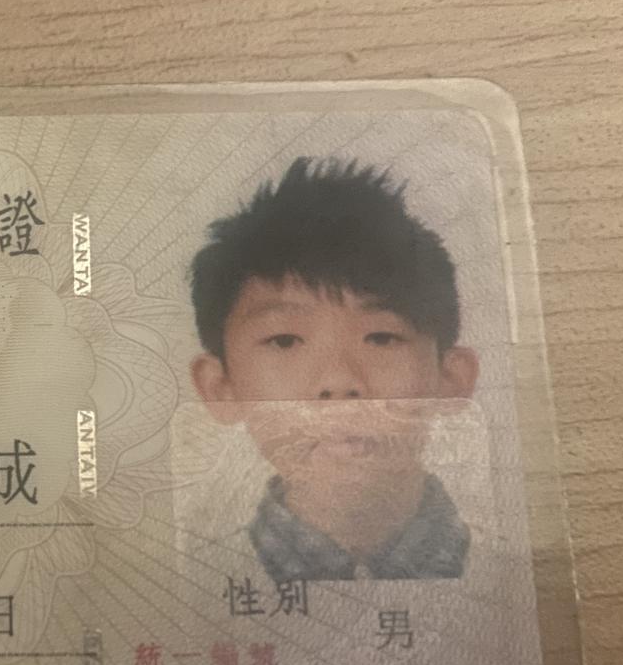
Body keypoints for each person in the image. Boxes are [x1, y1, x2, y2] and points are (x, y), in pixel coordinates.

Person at [188, 156, 479, 582]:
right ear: (220, 387)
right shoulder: (194, 583)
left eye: (381, 338)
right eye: (285, 341)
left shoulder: (513, 576)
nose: (339, 383)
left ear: (450, 378)